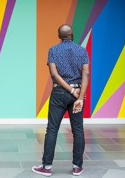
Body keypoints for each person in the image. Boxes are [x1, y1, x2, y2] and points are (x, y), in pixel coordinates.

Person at [32, 24, 89, 176]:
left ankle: (46, 167)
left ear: (59, 36)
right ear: (72, 34)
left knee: (52, 129)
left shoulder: (53, 50)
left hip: (59, 93)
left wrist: (69, 90)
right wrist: (80, 96)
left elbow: (54, 74)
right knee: (78, 130)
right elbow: (86, 74)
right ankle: (77, 167)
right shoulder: (82, 50)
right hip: (77, 93)